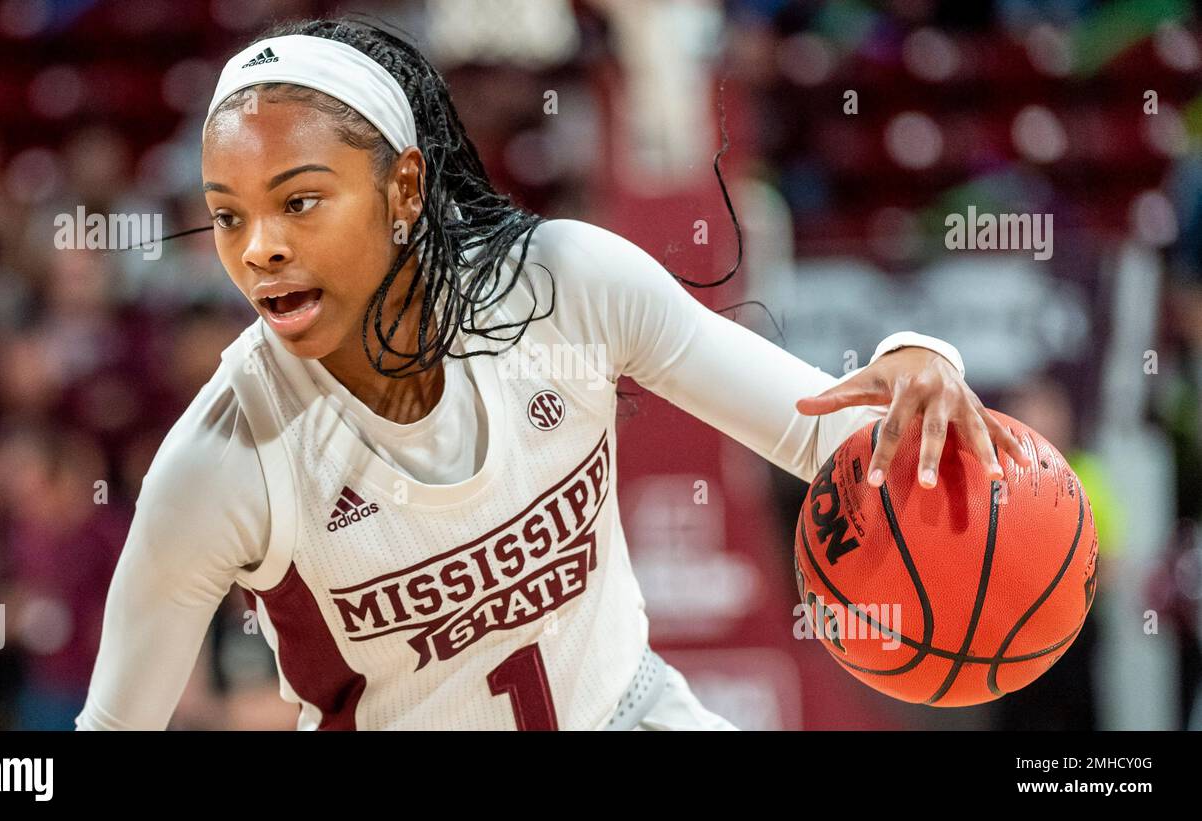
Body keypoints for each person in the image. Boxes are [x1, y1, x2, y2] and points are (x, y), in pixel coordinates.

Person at [75, 16, 1029, 731]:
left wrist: (919, 366)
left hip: (635, 712)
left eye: (300, 201)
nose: (261, 251)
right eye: (230, 216)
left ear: (405, 186)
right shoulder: (219, 462)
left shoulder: (566, 283)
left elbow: (825, 430)